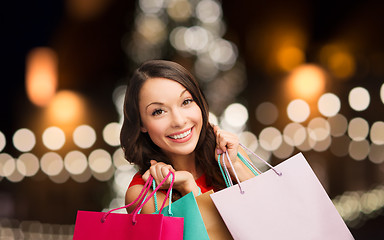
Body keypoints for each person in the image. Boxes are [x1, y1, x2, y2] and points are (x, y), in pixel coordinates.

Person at [120, 59, 255, 214]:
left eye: (186, 102)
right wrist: (189, 188)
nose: (179, 121)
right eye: (158, 111)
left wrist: (234, 167)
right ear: (141, 124)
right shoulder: (143, 195)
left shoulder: (232, 157)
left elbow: (273, 215)